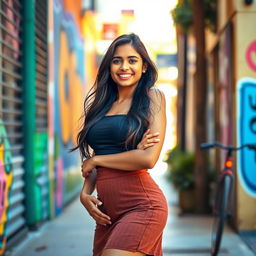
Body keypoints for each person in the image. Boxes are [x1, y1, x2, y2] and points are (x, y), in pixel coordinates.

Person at [73, 33, 168, 256]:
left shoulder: (152, 98)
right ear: (109, 66)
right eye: (117, 60)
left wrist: (96, 160)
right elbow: (100, 154)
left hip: (143, 206)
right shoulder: (102, 105)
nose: (124, 66)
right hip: (108, 213)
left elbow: (147, 158)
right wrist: (85, 193)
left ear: (144, 66)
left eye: (132, 60)